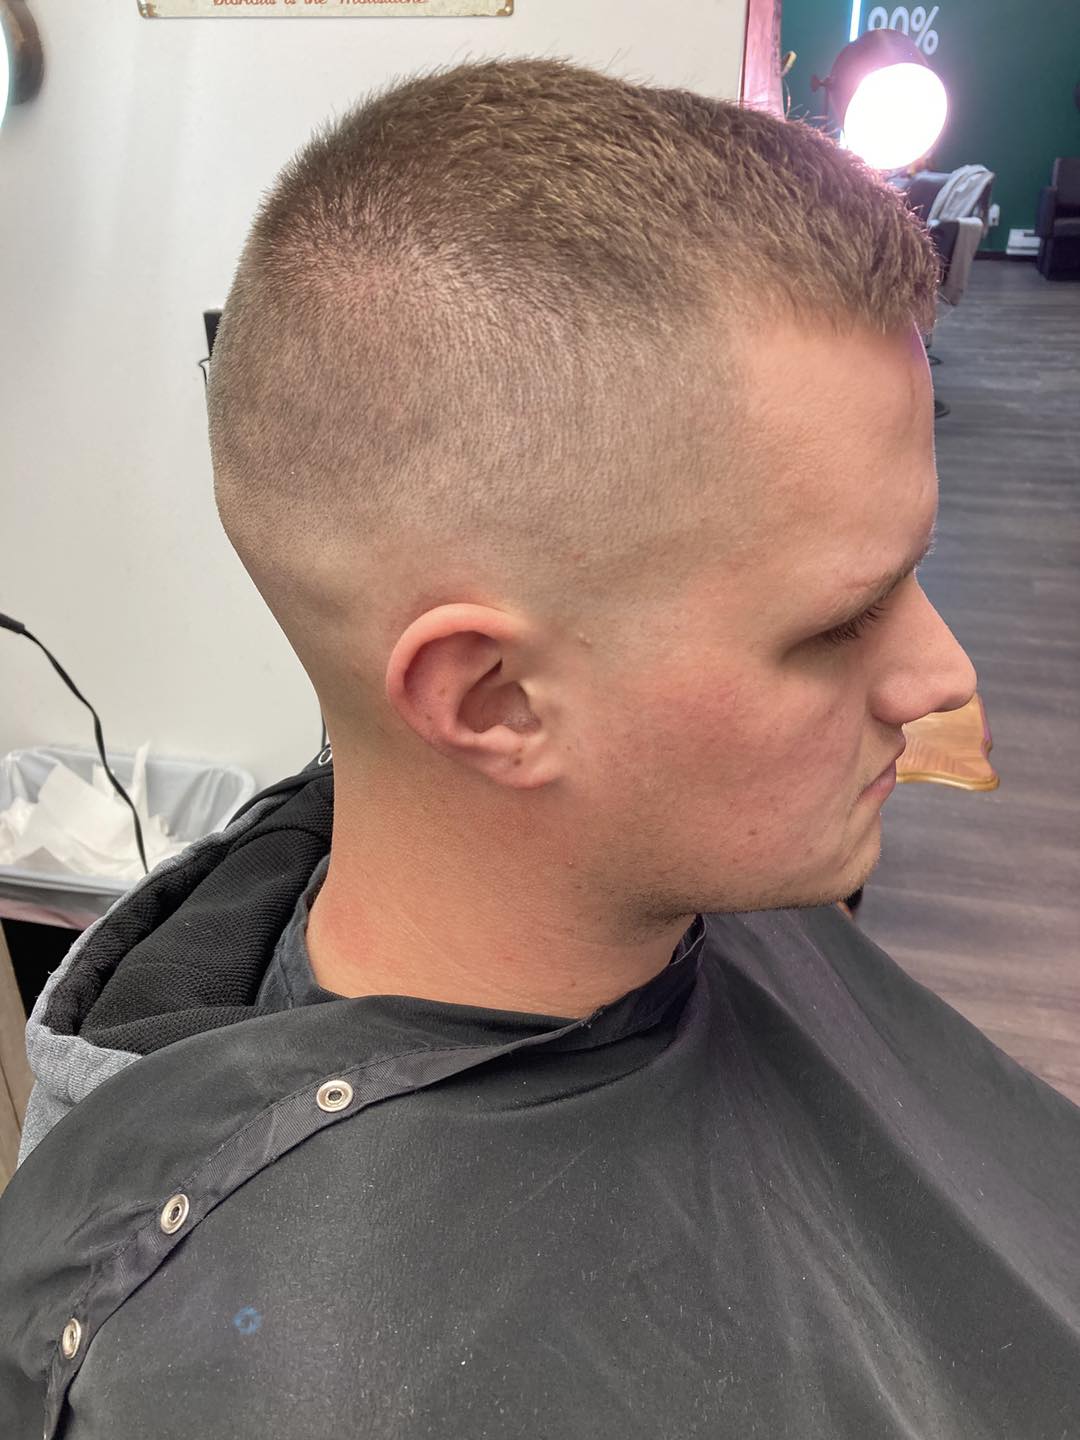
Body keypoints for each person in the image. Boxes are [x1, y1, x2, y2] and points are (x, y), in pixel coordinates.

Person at [1, 56, 1077, 1440]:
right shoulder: (243, 1384)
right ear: (495, 697)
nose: (944, 678)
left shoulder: (710, 875)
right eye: (840, 622)